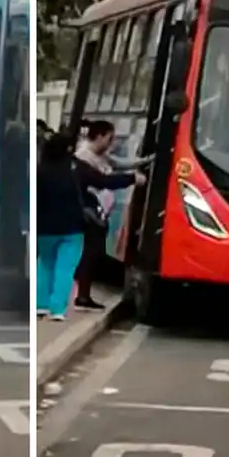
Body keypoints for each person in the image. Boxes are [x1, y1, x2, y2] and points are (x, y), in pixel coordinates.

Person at [37, 132, 145, 321]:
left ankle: (40, 305)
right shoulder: (76, 168)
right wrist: (132, 178)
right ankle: (57, 309)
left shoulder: (40, 170)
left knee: (45, 264)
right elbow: (104, 181)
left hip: (45, 228)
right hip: (71, 227)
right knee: (65, 267)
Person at [72, 120, 153, 309]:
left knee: (93, 254)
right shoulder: (83, 158)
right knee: (90, 254)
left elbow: (120, 164)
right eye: (110, 138)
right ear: (99, 136)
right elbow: (103, 181)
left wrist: (147, 161)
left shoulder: (100, 156)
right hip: (89, 213)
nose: (112, 143)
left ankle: (83, 294)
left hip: (98, 211)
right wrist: (131, 179)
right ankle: (81, 296)